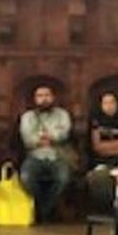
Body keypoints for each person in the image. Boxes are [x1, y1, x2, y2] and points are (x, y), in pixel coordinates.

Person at [18, 85, 74, 223]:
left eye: (47, 95)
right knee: (26, 178)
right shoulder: (27, 117)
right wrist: (48, 137)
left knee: (63, 179)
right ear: (35, 99)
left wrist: (45, 137)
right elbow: (28, 139)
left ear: (53, 97)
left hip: (58, 155)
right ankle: (44, 209)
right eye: (40, 96)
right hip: (34, 156)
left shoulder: (62, 115)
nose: (44, 99)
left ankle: (44, 210)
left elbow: (63, 135)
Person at [88, 91, 118, 170]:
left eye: (112, 102)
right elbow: (97, 147)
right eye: (106, 103)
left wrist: (107, 146)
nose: (109, 106)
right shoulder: (95, 120)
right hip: (100, 160)